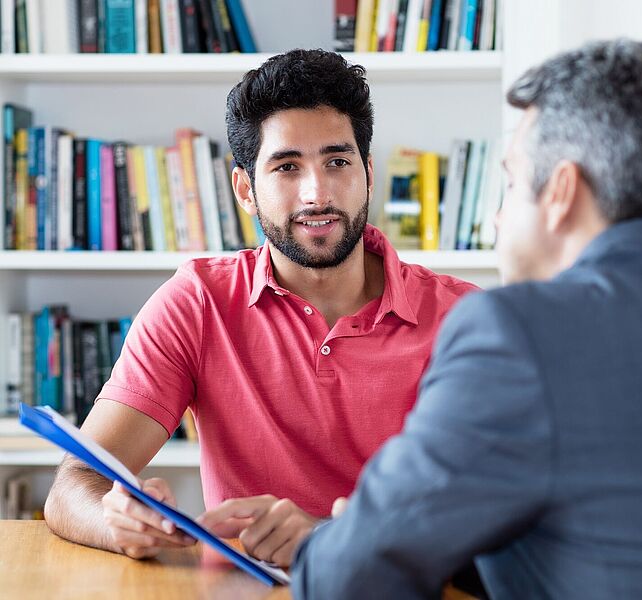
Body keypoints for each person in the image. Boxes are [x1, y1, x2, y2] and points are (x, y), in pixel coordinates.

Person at [290, 39, 642, 599]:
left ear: (561, 192)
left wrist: (344, 534)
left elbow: (349, 580)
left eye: (510, 182)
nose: (497, 215)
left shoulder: (517, 333)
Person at [43, 49, 476, 566]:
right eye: (287, 167)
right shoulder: (197, 302)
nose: (316, 193)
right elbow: (76, 483)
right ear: (246, 189)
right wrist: (119, 522)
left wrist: (328, 535)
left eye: (337, 162)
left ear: (367, 173)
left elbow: (500, 511)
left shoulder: (464, 319)